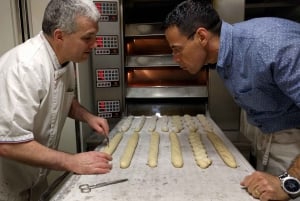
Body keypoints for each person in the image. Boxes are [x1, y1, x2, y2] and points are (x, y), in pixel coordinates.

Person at [163, 0, 300, 200]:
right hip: (268, 137)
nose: (175, 58)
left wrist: (291, 181)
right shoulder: (223, 54)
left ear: (201, 36)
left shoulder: (271, 46)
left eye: (177, 49)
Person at [0, 0, 112, 200]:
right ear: (60, 35)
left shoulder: (65, 61)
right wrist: (71, 161)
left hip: (35, 180)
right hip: (6, 185)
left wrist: (88, 117)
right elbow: (8, 143)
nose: (94, 45)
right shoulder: (25, 68)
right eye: (88, 38)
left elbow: (62, 99)